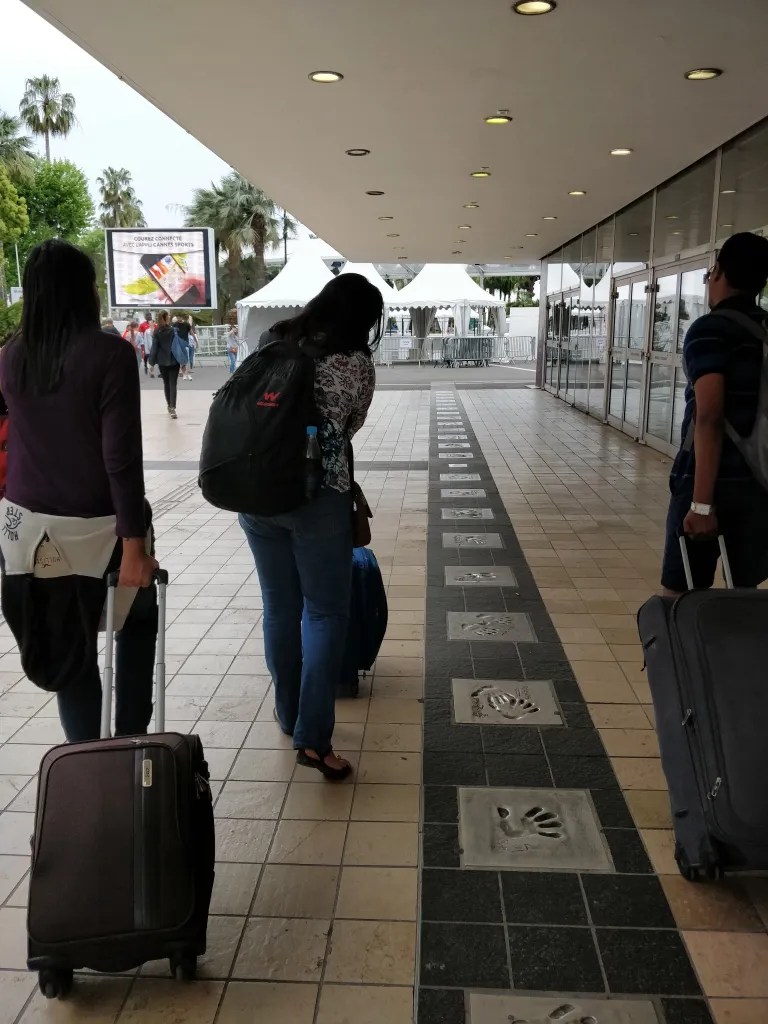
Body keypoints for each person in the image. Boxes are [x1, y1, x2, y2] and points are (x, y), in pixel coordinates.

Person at [0, 239, 159, 742]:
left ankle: (85, 766)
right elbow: (120, 458)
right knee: (136, 623)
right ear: (84, 291)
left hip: (26, 530)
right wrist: (135, 545)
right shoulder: (110, 354)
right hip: (100, 525)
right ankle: (131, 745)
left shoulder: (9, 357)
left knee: (70, 651)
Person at [239, 273, 381, 781]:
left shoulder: (272, 340)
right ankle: (315, 739)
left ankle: (288, 712)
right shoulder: (355, 363)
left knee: (279, 606)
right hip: (319, 498)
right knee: (324, 614)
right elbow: (350, 425)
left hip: (256, 494)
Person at [662, 231, 768, 594]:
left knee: (681, 597)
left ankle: (685, 653)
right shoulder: (763, 330)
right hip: (758, 482)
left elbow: (709, 414)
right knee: (744, 596)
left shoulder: (711, 330)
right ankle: (736, 654)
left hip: (708, 483)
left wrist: (702, 504)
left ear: (719, 272)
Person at [149, 311, 181, 418]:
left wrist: (151, 363)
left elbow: (154, 348)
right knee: (173, 384)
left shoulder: (157, 331)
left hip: (162, 361)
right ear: (166, 317)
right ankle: (173, 407)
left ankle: (169, 405)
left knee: (166, 384)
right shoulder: (174, 330)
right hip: (174, 360)